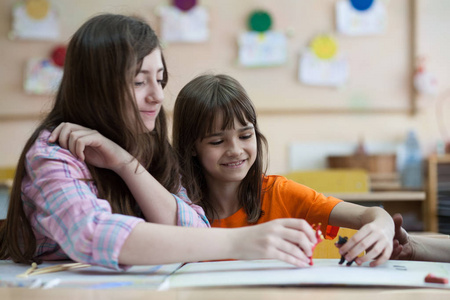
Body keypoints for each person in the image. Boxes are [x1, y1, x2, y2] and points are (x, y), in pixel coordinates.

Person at [0, 14, 320, 270]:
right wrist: (240, 241)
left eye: (160, 78)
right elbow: (91, 234)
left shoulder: (149, 148)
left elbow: (193, 231)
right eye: (140, 81)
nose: (157, 96)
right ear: (96, 87)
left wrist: (126, 165)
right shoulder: (53, 153)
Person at [172, 73, 395, 267]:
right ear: (192, 146)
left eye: (245, 136)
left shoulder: (279, 193)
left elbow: (372, 214)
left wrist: (383, 227)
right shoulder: (177, 208)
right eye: (217, 141)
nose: (235, 150)